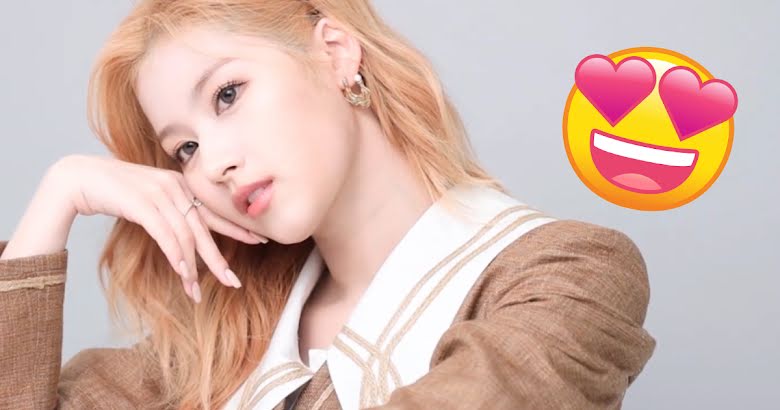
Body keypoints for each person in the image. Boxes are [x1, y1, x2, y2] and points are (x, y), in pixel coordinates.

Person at [0, 0, 656, 409]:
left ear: (335, 53)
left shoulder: (565, 274)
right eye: (185, 149)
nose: (213, 163)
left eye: (227, 94)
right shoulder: (217, 345)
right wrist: (57, 199)